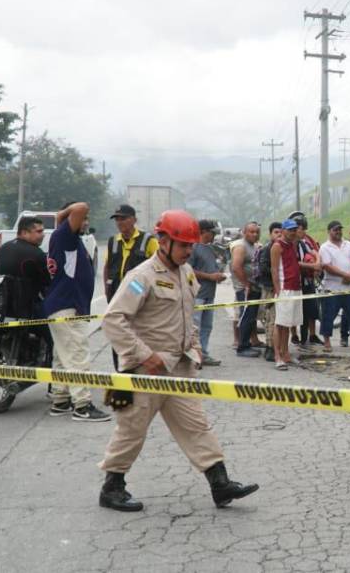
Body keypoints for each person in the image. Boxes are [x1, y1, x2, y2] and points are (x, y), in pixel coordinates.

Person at [97, 209, 258, 512]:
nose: (188, 251)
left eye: (191, 246)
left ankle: (220, 484)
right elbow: (113, 320)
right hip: (145, 372)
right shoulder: (141, 277)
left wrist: (195, 348)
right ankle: (112, 487)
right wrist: (146, 355)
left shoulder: (185, 273)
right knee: (131, 430)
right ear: (163, 240)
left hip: (180, 368)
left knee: (197, 426)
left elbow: (187, 316)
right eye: (183, 245)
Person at [42, 201, 110, 422]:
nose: (85, 222)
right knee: (77, 356)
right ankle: (82, 405)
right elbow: (82, 206)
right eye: (83, 220)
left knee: (62, 357)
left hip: (61, 305)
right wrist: (63, 213)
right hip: (66, 306)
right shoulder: (65, 235)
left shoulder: (62, 236)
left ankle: (60, 400)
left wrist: (62, 217)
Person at [0, 215, 54, 362]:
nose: (43, 235)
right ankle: (54, 375)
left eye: (42, 231)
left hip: (2, 307)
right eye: (38, 231)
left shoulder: (3, 249)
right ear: (25, 233)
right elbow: (47, 281)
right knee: (54, 337)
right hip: (26, 308)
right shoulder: (36, 254)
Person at [319, 220, 350, 352]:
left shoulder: (348, 244)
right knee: (328, 315)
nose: (338, 232)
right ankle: (327, 343)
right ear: (329, 231)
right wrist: (345, 274)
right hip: (332, 287)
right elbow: (327, 266)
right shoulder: (325, 247)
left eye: (339, 229)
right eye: (335, 230)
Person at [269, 219, 306, 369]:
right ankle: (277, 355)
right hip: (285, 288)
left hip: (296, 287)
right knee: (280, 324)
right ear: (283, 230)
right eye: (290, 230)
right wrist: (278, 289)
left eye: (294, 230)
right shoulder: (277, 246)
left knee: (289, 323)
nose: (293, 232)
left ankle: (286, 353)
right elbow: (274, 269)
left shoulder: (293, 244)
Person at [104, 204, 158, 302]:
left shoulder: (148, 240)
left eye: (123, 219)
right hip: (115, 292)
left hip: (137, 291)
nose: (119, 222)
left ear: (134, 220)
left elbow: (160, 267)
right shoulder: (113, 241)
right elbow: (107, 267)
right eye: (117, 219)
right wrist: (107, 289)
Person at [189, 219, 225, 367]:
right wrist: (210, 277)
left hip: (210, 294)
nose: (213, 236)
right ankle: (193, 356)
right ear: (203, 232)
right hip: (197, 295)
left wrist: (218, 275)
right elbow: (188, 271)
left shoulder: (211, 249)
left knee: (207, 326)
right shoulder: (193, 248)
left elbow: (212, 267)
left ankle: (203, 353)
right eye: (211, 233)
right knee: (194, 328)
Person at [230, 221, 263, 358]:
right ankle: (242, 347)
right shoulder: (241, 246)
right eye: (251, 232)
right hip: (244, 289)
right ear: (244, 232)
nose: (255, 234)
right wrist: (246, 284)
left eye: (257, 232)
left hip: (254, 287)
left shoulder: (254, 246)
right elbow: (236, 267)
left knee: (251, 318)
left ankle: (248, 344)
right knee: (245, 317)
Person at [288, 211, 321, 347]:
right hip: (293, 283)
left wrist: (318, 261)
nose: (302, 231)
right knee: (294, 313)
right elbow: (296, 263)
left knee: (308, 311)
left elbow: (312, 251)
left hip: (306, 282)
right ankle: (296, 337)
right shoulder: (288, 245)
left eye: (303, 228)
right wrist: (313, 265)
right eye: (300, 229)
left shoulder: (303, 243)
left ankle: (305, 339)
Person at [254, 221, 284, 361]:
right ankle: (269, 348)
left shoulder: (282, 247)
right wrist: (276, 272)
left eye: (280, 232)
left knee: (279, 319)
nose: (279, 235)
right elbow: (263, 268)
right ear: (270, 234)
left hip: (281, 288)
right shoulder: (267, 249)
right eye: (276, 232)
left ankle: (278, 347)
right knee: (270, 319)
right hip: (269, 288)